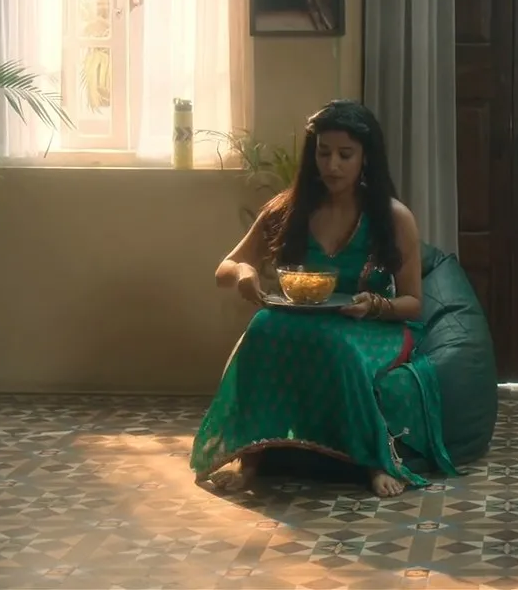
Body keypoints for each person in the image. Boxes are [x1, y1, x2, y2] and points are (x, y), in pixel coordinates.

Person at [191, 100, 456, 499]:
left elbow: (413, 303)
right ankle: (251, 458)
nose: (332, 165)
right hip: (305, 319)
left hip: (372, 326)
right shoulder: (289, 208)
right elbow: (226, 267)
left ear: (365, 158)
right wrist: (244, 273)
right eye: (324, 153)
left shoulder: (393, 217)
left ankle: (374, 461)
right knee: (261, 329)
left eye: (345, 155)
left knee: (337, 347)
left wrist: (375, 305)